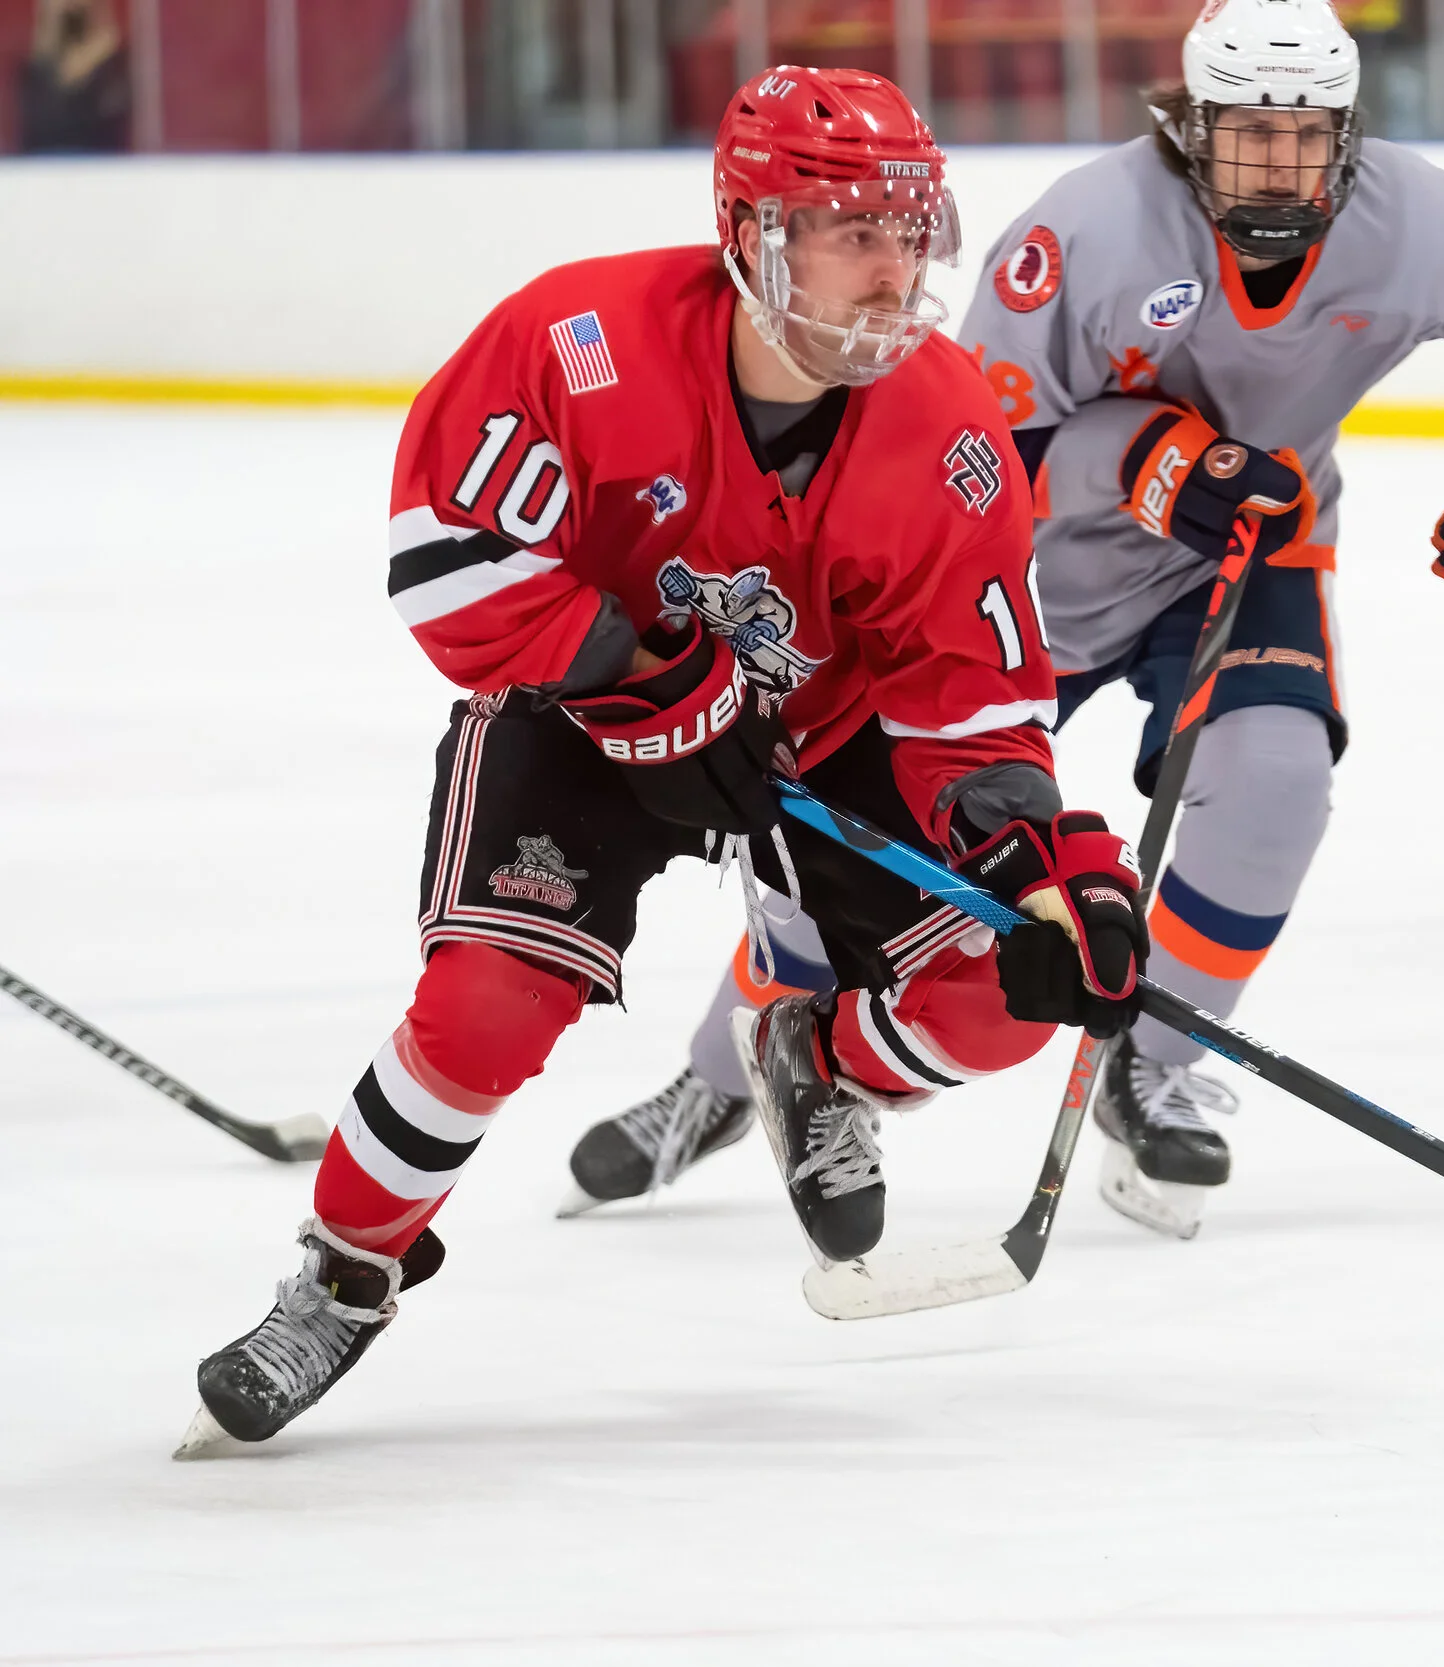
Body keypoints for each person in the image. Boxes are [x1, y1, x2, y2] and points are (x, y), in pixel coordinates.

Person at [181, 68, 1147, 1453]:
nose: (896, 271)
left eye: (908, 231)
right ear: (751, 231)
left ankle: (823, 1061)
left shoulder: (951, 429)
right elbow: (448, 559)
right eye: (853, 233)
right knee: (488, 1006)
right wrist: (644, 675)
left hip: (812, 734)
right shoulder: (579, 341)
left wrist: (1053, 872)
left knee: (1003, 995)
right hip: (578, 718)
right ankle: (342, 1275)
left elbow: (969, 700)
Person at [560, 0, 1444, 1237]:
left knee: (1275, 785)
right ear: (1191, 125)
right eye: (1248, 133)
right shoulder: (1086, 231)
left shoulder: (1412, 219)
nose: (1279, 163)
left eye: (1307, 135)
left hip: (1242, 559)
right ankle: (727, 1075)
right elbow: (971, 448)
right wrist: (1156, 461)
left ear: (1347, 135)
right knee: (874, 862)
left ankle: (1150, 1063)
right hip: (1007, 582)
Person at [17, 0, 129, 154]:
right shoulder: (35, 72)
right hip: (46, 160)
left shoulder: (115, 66)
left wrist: (96, 56)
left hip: (97, 160)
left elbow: (109, 118)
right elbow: (40, 125)